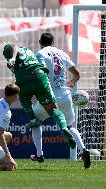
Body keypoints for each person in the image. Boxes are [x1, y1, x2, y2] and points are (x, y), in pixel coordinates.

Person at [2, 43, 76, 159]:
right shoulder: (27, 50)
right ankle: (64, 128)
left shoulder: (12, 58)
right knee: (53, 110)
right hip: (39, 77)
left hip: (23, 82)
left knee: (27, 105)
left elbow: (15, 64)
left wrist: (11, 64)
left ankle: (33, 121)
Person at [32, 32, 92, 169]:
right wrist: (71, 83)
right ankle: (83, 150)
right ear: (53, 42)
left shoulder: (40, 54)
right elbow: (76, 73)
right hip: (65, 94)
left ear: (40, 42)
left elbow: (41, 73)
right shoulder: (62, 53)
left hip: (50, 96)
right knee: (70, 126)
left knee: (35, 122)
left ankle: (39, 154)